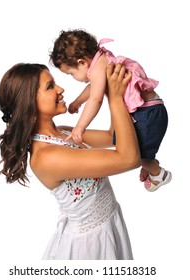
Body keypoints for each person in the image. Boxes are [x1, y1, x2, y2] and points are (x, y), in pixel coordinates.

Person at [0, 62, 141, 260]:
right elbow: (129, 158)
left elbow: (112, 135)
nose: (61, 89)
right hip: (89, 246)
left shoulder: (63, 132)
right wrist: (115, 97)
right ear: (29, 102)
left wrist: (106, 87)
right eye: (50, 86)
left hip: (109, 224)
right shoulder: (46, 156)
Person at [49, 29, 172, 192]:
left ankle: (158, 173)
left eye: (71, 74)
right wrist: (77, 102)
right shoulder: (100, 61)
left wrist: (80, 127)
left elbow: (96, 99)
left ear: (82, 63)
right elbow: (93, 87)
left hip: (146, 113)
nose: (74, 78)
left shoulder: (99, 67)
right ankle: (149, 164)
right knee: (131, 144)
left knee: (136, 152)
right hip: (148, 111)